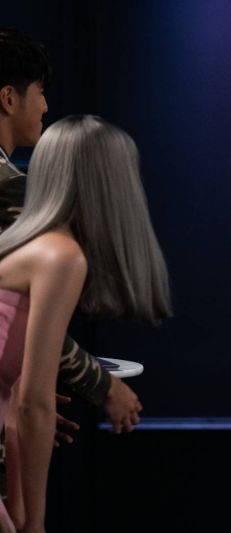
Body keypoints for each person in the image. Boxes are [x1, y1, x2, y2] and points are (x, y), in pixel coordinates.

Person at [0, 114, 172, 532]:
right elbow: (33, 404)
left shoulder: (30, 244)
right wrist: (35, 524)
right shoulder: (61, 257)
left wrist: (20, 514)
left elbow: (15, 398)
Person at [0, 27, 146, 503]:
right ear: (9, 98)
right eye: (40, 92)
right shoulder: (14, 192)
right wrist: (100, 386)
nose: (45, 107)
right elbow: (31, 319)